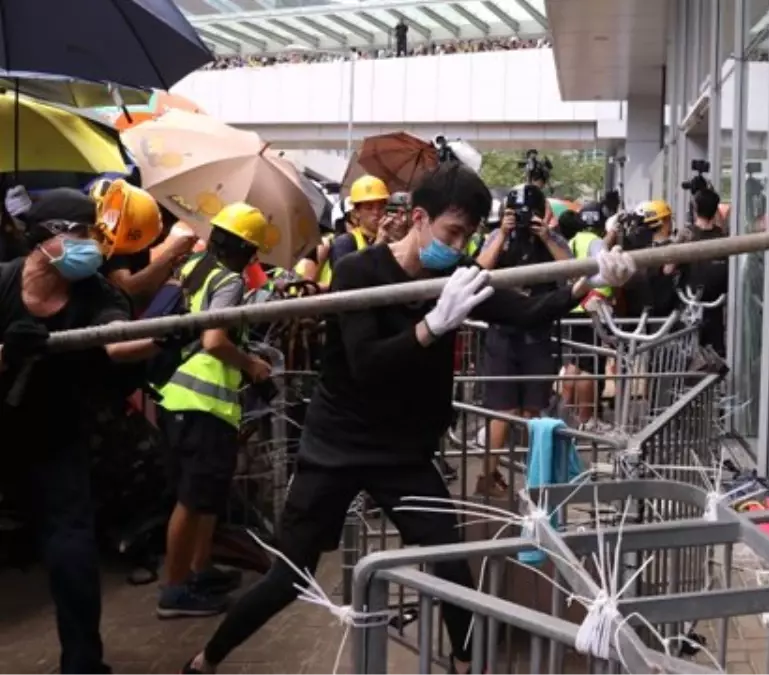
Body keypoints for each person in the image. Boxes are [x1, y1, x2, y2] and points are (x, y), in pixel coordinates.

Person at [178, 162, 635, 675]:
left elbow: (526, 310)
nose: (459, 245)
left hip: (403, 453)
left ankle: (467, 664)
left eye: (468, 235)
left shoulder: (456, 276)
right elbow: (368, 363)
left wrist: (588, 282)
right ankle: (206, 658)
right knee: (290, 573)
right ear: (419, 217)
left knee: (451, 563)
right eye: (452, 231)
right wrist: (434, 325)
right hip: (337, 446)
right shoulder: (359, 273)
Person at [0, 188, 174, 675]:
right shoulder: (2, 285)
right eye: (79, 234)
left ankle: (82, 663)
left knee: (72, 550)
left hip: (56, 435)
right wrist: (7, 353)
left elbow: (116, 342)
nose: (90, 247)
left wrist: (162, 334)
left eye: (93, 236)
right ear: (45, 238)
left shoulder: (96, 291)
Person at [154, 202, 276, 619]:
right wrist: (251, 364)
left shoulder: (192, 267)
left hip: (178, 396)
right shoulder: (229, 280)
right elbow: (213, 341)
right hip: (201, 400)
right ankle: (174, 590)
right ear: (247, 249)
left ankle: (200, 569)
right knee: (191, 499)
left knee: (205, 494)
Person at [473, 183, 572, 495]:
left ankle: (538, 481)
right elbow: (478, 269)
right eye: (516, 212)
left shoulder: (552, 238)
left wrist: (545, 236)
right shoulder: (496, 236)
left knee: (534, 412)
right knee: (502, 411)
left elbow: (570, 269)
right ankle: (487, 478)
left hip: (539, 334)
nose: (523, 217)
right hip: (502, 334)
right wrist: (502, 233)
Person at [88, 178, 197, 308]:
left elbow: (143, 295)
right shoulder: (113, 238)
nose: (163, 238)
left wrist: (170, 268)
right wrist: (171, 253)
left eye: (168, 229)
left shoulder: (139, 244)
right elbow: (126, 289)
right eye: (161, 230)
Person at [560, 201, 612, 430]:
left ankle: (568, 413)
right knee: (588, 368)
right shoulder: (597, 242)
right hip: (590, 311)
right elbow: (606, 273)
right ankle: (587, 419)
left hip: (571, 309)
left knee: (573, 365)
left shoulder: (571, 241)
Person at [678, 187, 729, 357]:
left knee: (690, 358)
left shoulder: (687, 237)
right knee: (716, 358)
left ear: (695, 209)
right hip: (716, 310)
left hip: (692, 309)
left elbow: (667, 268)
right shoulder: (723, 239)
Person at [330, 176, 392, 267]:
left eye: (381, 207)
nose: (376, 212)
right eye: (369, 208)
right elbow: (347, 278)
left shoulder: (391, 238)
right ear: (356, 212)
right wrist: (377, 246)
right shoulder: (345, 243)